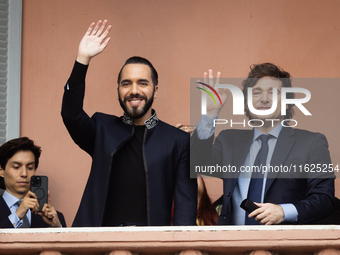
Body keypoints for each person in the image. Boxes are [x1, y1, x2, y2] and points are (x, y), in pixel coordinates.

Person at [61, 20, 197, 227]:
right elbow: (71, 114)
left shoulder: (178, 141)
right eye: (126, 84)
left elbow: (185, 207)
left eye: (142, 83)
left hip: (151, 246)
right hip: (98, 245)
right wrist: (82, 60)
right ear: (118, 91)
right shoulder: (102, 129)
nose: (134, 90)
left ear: (155, 91)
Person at [191, 63, 335, 225]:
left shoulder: (311, 143)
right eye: (257, 93)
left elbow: (324, 200)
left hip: (284, 245)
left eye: (273, 93)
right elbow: (198, 163)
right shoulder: (229, 140)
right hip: (233, 245)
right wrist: (210, 114)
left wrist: (283, 211)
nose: (264, 99)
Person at [0, 137, 66, 228]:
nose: (24, 174)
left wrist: (57, 228)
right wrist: (16, 216)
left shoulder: (55, 218)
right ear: (1, 171)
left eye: (30, 168)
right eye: (16, 167)